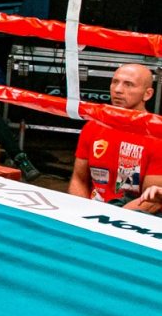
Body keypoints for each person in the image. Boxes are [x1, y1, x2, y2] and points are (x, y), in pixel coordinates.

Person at [68, 63, 162, 214]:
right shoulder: (92, 126)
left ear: (147, 94)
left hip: (132, 217)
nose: (118, 90)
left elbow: (152, 200)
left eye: (128, 84)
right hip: (91, 212)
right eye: (115, 82)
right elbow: (79, 179)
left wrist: (107, 220)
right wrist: (81, 213)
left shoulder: (157, 135)